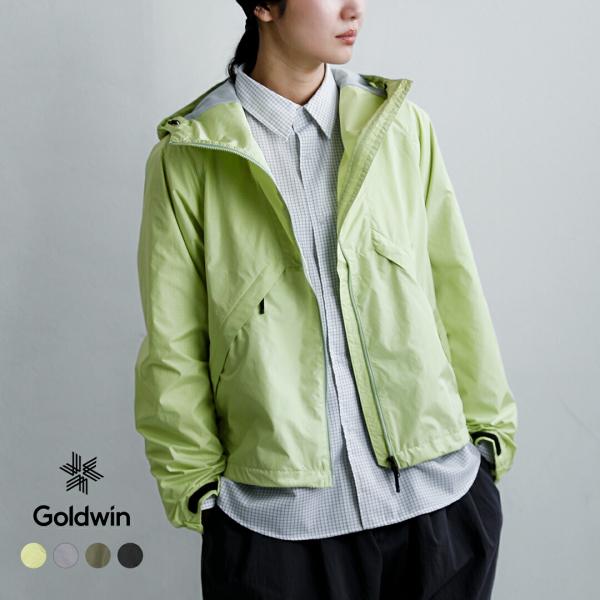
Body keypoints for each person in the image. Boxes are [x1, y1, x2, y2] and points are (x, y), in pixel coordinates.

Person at [134, 1, 518, 598]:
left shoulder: (401, 127)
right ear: (264, 6)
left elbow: (455, 287)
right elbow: (174, 342)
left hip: (440, 502)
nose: (354, 8)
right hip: (279, 528)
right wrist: (198, 490)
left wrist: (486, 442)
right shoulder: (190, 155)